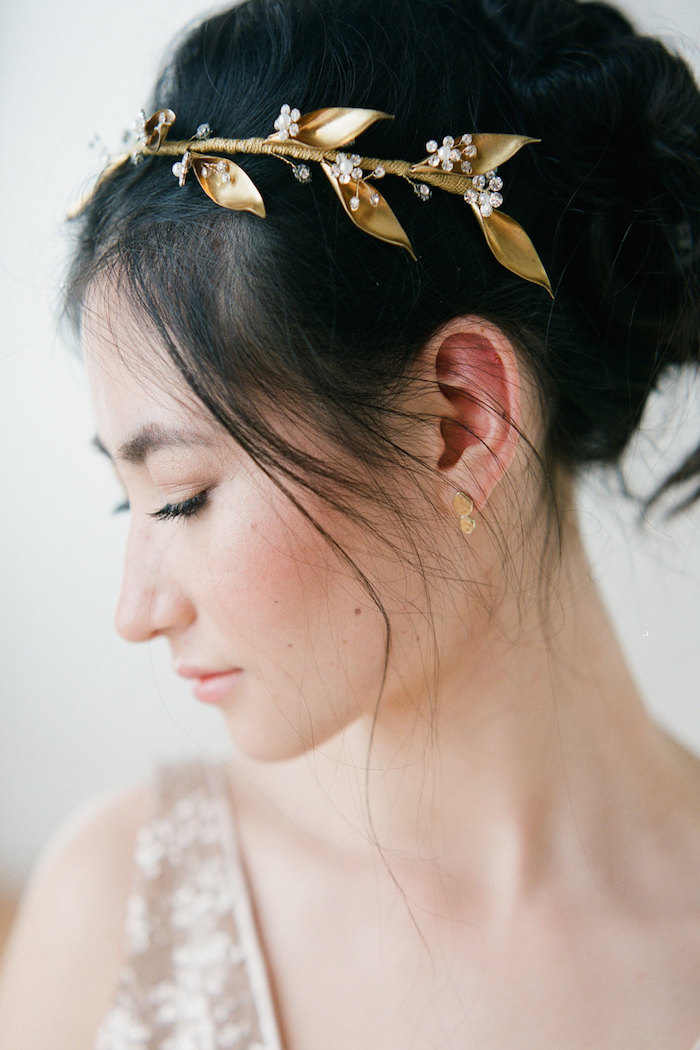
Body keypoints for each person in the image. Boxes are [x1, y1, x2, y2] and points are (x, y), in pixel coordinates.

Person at [1, 0, 699, 1046]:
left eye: (182, 497)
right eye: (126, 499)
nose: (134, 612)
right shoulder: (114, 915)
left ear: (459, 420)